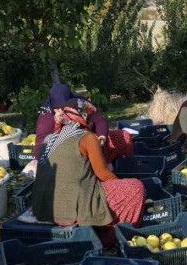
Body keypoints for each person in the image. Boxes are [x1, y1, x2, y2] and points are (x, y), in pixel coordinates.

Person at [31, 99, 145, 245]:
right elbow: (103, 175)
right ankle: (110, 237)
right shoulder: (87, 138)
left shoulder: (49, 138)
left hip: (45, 208)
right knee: (135, 188)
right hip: (71, 208)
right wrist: (121, 184)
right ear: (84, 118)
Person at [34, 83, 132, 163]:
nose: (61, 111)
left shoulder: (80, 104)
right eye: (57, 108)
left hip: (93, 143)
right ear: (52, 106)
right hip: (71, 157)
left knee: (123, 136)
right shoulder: (46, 118)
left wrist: (102, 136)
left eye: (63, 107)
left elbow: (99, 120)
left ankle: (124, 164)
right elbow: (39, 149)